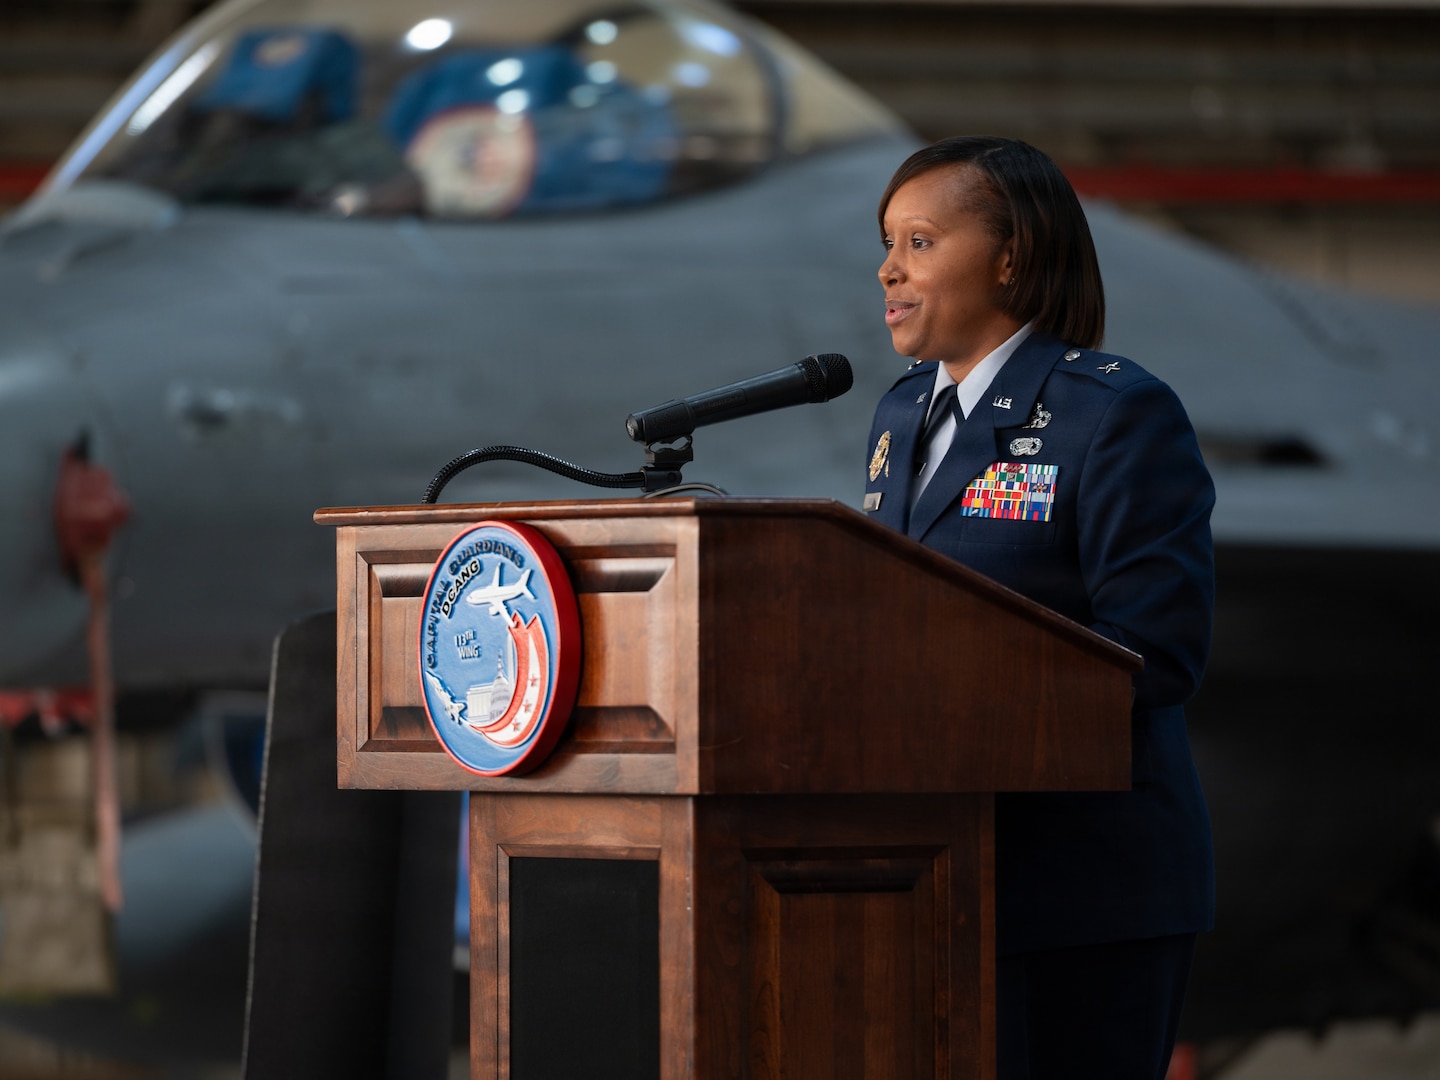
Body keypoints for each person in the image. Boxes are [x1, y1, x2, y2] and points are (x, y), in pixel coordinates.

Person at [863, 136, 1215, 1080]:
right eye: (888, 241)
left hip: (1079, 892)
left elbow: (1156, 652)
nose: (889, 269)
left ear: (1010, 257)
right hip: (936, 876)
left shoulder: (1114, 413)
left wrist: (947, 699)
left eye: (922, 241)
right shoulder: (901, 417)